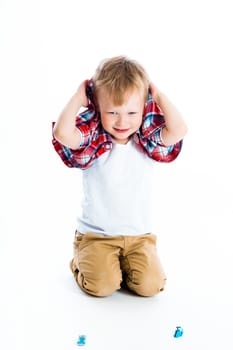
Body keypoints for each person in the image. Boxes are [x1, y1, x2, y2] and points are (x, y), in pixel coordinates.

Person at [52, 56, 187, 297]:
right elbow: (62, 133)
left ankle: (120, 266)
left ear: (144, 107)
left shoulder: (146, 141)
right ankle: (82, 260)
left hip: (139, 238)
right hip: (98, 236)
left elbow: (179, 130)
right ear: (97, 107)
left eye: (132, 112)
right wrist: (77, 98)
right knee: (102, 287)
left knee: (151, 286)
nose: (122, 121)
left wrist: (159, 97)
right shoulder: (93, 141)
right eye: (112, 112)